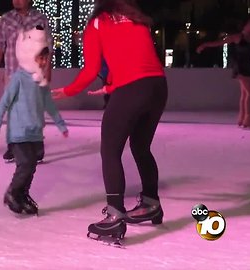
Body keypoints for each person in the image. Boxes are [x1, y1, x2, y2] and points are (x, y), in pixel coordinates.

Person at [52, 0, 167, 242]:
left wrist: (70, 90)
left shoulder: (96, 22)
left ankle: (114, 214)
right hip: (158, 86)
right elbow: (138, 60)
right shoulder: (136, 19)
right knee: (141, 147)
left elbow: (91, 69)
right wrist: (112, 86)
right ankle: (151, 202)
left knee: (110, 150)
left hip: (132, 89)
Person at [0, 26, 68, 215]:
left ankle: (22, 194)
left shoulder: (40, 82)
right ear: (29, 55)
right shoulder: (18, 78)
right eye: (40, 57)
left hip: (34, 132)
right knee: (25, 164)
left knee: (31, 165)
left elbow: (49, 105)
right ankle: (13, 193)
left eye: (45, 59)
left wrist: (61, 124)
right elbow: (4, 102)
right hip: (18, 132)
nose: (43, 62)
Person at [0, 0, 53, 163]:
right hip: (12, 72)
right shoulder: (6, 19)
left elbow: (48, 46)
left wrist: (48, 70)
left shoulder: (40, 18)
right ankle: (13, 146)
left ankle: (37, 146)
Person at [197, 18, 250, 129]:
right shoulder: (238, 37)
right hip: (241, 68)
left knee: (245, 94)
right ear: (244, 26)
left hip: (248, 68)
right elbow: (220, 42)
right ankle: (248, 119)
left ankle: (242, 119)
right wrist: (205, 45)